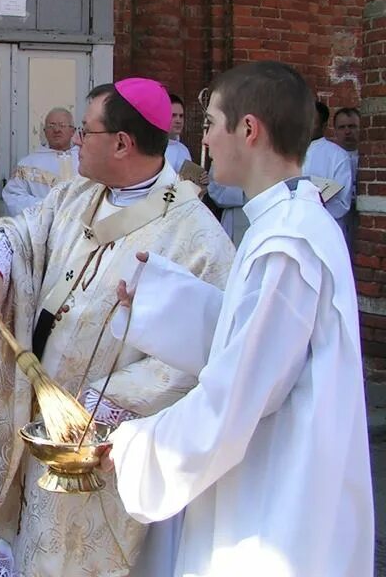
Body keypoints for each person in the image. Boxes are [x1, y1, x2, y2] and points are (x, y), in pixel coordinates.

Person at [0, 78, 234, 577]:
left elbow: (199, 355)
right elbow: (23, 230)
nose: (76, 142)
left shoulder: (197, 237)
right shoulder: (76, 194)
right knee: (35, 540)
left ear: (122, 143)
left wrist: (101, 409)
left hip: (100, 441)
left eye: (86, 132)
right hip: (40, 411)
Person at [104, 61, 373, 576]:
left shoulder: (287, 244)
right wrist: (160, 302)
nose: (203, 141)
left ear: (248, 130)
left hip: (278, 492)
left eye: (210, 124)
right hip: (276, 470)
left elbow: (243, 390)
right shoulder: (287, 220)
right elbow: (257, 338)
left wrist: (139, 446)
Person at [2, 107, 79, 216]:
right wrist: (47, 208)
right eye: (51, 126)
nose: (56, 130)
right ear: (45, 132)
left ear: (73, 131)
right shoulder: (28, 164)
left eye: (62, 125)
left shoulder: (85, 159)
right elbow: (13, 196)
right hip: (43, 226)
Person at [302, 100, 352, 232]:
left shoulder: (338, 156)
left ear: (324, 126)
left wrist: (314, 199)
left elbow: (343, 204)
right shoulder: (289, 152)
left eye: (312, 121)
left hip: (325, 228)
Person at [333, 106, 360, 247]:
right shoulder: (330, 158)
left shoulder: (371, 157)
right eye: (342, 127)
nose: (347, 131)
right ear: (335, 131)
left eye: (352, 126)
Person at [164, 94, 192, 173]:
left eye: (181, 116)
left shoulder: (184, 150)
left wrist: (200, 179)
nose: (178, 120)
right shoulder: (152, 149)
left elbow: (189, 180)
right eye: (173, 115)